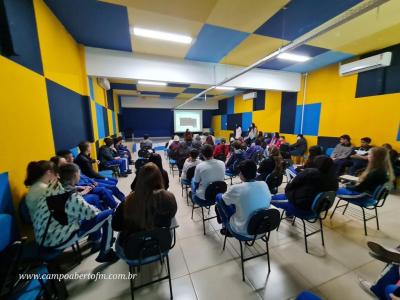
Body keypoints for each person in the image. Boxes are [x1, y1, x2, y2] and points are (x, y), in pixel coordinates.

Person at [31, 163, 118, 263]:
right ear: (76, 175)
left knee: (93, 209)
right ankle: (105, 253)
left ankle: (101, 240)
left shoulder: (51, 186)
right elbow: (92, 214)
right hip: (55, 241)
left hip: (44, 237)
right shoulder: (71, 197)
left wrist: (76, 189)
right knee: (109, 215)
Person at [112, 163, 177, 259]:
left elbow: (116, 226)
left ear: (139, 179)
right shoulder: (169, 197)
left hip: (133, 251)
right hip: (161, 245)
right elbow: (172, 215)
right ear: (160, 178)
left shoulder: (127, 202)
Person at [216, 160, 271, 236]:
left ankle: (226, 226)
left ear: (241, 174)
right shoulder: (264, 184)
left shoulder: (236, 188)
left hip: (242, 231)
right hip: (261, 228)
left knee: (219, 197)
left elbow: (224, 201)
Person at [272, 155, 338, 211]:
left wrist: (288, 193)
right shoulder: (334, 179)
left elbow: (291, 185)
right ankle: (289, 213)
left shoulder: (310, 172)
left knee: (270, 200)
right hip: (318, 208)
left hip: (302, 206)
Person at [60, 147, 125, 203]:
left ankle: (123, 201)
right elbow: (76, 183)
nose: (73, 158)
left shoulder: (75, 164)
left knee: (112, 185)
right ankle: (117, 205)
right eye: (71, 157)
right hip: (88, 185)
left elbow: (84, 175)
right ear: (66, 159)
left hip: (90, 181)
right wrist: (93, 183)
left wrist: (92, 181)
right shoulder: (67, 171)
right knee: (108, 189)